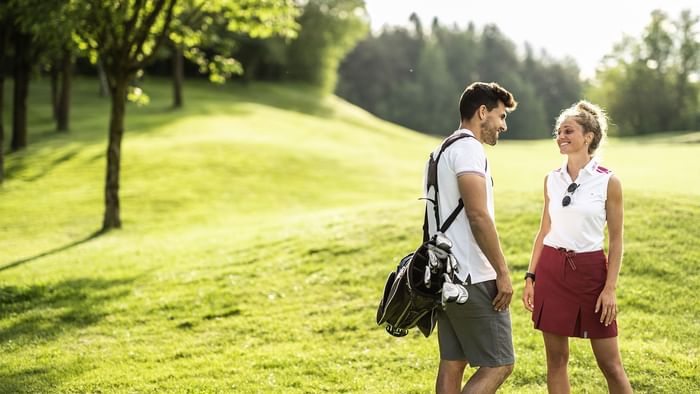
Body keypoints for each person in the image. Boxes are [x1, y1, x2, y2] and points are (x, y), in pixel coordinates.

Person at [521, 100, 633, 393]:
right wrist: (530, 277)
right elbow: (544, 230)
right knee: (556, 360)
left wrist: (610, 288)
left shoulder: (608, 181)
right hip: (552, 272)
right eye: (558, 131)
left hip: (591, 274)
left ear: (588, 137)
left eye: (568, 130)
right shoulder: (551, 180)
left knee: (610, 365)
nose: (561, 136)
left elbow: (617, 240)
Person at [424, 82, 517, 394]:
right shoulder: (468, 150)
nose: (503, 125)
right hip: (471, 275)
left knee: (453, 362)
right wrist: (502, 273)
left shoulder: (440, 151)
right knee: (500, 363)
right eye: (501, 116)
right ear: (482, 112)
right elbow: (478, 216)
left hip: (443, 275)